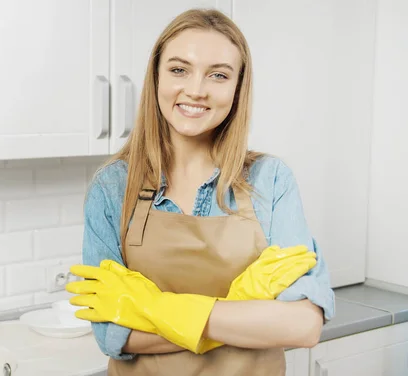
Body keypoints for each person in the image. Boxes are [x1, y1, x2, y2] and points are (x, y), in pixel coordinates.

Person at [65, 8, 335, 376]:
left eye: (218, 75)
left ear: (238, 88)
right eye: (179, 70)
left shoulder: (270, 180)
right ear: (156, 77)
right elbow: (113, 334)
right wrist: (246, 310)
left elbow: (303, 325)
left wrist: (152, 309)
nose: (195, 89)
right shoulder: (113, 187)